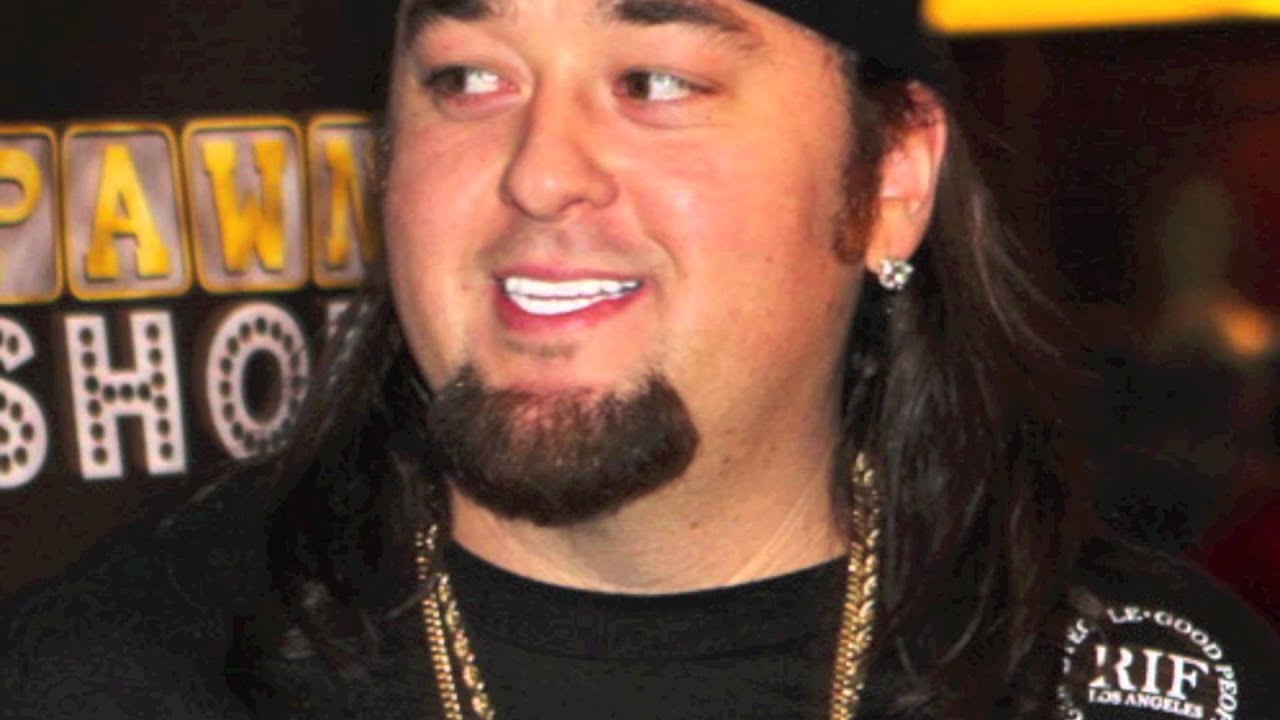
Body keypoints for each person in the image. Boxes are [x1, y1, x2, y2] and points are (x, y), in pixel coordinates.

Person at [4, 1, 1278, 718]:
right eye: (466, 77)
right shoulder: (121, 680)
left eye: (655, 82)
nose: (538, 171)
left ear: (889, 179)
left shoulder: (1150, 679)